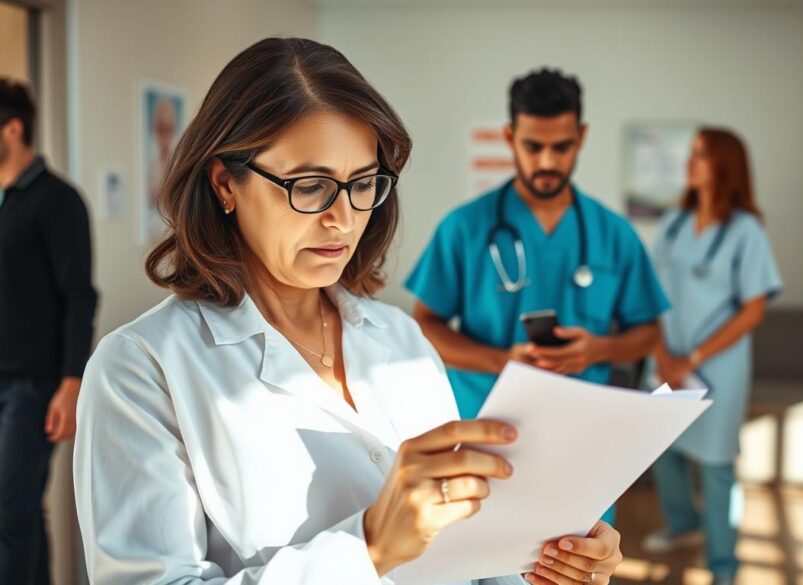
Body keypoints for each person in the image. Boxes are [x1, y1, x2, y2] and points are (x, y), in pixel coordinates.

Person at [73, 38, 623, 585]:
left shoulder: (401, 341)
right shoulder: (141, 371)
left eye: (362, 184)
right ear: (225, 184)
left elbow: (463, 558)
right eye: (310, 186)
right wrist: (371, 547)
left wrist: (537, 570)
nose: (343, 218)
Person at [405, 70, 668, 524]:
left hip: (583, 441)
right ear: (510, 137)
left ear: (581, 137)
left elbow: (648, 333)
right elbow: (424, 325)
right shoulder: (464, 228)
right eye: (533, 146)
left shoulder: (614, 235)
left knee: (580, 562)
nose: (547, 160)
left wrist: (599, 348)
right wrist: (503, 360)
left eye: (561, 147)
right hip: (483, 439)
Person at [642, 128, 782, 585]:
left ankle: (724, 565)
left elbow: (754, 308)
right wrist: (663, 353)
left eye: (701, 153)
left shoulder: (746, 230)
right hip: (665, 358)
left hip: (717, 365)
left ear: (724, 164)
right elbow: (651, 292)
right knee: (663, 449)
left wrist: (693, 357)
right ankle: (684, 524)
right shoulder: (674, 224)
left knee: (718, 465)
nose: (691, 160)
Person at [0, 78, 98, 585]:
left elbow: (80, 295)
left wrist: (71, 382)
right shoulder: (5, 200)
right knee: (20, 514)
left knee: (9, 514)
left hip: (36, 385)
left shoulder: (58, 201)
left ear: (12, 128)